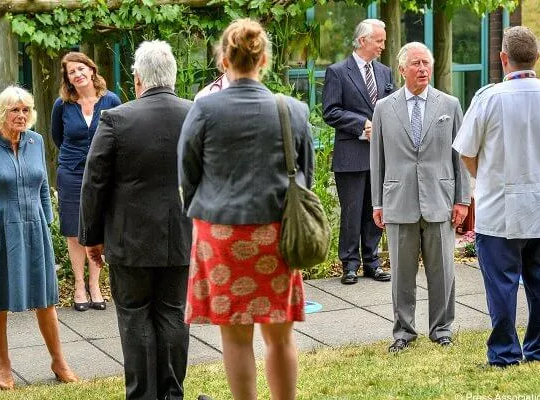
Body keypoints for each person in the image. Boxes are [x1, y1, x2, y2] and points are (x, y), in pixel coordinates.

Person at [178, 18, 313, 400]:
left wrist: (202, 211)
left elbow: (186, 175)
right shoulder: (293, 110)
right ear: (264, 59)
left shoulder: (203, 110)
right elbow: (305, 176)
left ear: (223, 59)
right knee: (281, 337)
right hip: (275, 234)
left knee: (236, 340)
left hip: (220, 235)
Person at [79, 40, 192, 400]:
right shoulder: (197, 115)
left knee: (135, 316)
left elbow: (94, 181)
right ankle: (172, 394)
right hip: (181, 236)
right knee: (173, 314)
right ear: (172, 76)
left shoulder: (116, 118)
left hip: (130, 240)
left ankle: (142, 395)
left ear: (138, 78)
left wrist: (91, 237)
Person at [0, 86, 78, 390]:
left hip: (34, 230)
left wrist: (47, 222)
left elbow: (43, 186)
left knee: (46, 300)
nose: (21, 115)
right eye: (15, 110)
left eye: (26, 110)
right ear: (2, 113)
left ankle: (59, 361)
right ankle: (4, 365)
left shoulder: (36, 141)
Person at [453, 26, 540, 367]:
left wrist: (486, 176)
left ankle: (505, 352)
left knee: (501, 285)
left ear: (503, 58)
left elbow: (465, 151)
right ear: (535, 58)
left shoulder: (488, 98)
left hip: (499, 209)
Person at [370, 42, 471, 352]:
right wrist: (377, 202)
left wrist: (462, 199)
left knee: (443, 272)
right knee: (401, 274)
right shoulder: (384, 108)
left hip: (440, 199)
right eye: (415, 63)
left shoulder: (450, 104)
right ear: (402, 70)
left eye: (426, 62)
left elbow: (461, 157)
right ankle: (403, 332)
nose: (423, 69)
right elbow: (378, 159)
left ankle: (442, 329)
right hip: (398, 200)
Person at [322, 19, 393, 285]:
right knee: (351, 212)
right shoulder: (338, 72)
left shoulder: (385, 73)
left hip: (379, 155)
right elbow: (330, 111)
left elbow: (393, 105)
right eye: (379, 41)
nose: (383, 47)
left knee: (375, 210)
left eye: (384, 41)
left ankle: (372, 263)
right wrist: (360, 124)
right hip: (351, 154)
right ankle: (349, 265)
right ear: (363, 41)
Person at [51, 51, 121, 312]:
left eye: (81, 69)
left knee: (97, 226)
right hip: (71, 173)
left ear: (91, 70)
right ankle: (79, 285)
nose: (78, 74)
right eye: (72, 72)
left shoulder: (111, 100)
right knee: (72, 230)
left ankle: (95, 285)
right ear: (68, 79)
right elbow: (58, 137)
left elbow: (119, 134)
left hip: (103, 174)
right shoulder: (62, 105)